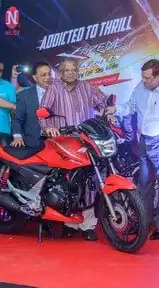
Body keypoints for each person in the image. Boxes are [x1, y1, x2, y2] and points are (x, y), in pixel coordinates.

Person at [105, 59, 159, 240]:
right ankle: (145, 221)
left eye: (147, 78)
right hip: (144, 141)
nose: (144, 81)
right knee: (144, 184)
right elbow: (130, 107)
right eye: (142, 77)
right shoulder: (140, 88)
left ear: (158, 77)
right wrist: (115, 109)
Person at [39, 57, 107, 241]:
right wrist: (47, 127)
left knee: (90, 181)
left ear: (78, 71)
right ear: (61, 72)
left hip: (87, 141)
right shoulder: (54, 88)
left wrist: (108, 111)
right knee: (68, 182)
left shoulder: (87, 87)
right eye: (67, 70)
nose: (70, 73)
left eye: (73, 70)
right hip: (64, 143)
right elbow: (42, 111)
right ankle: (69, 223)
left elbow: (103, 102)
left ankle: (88, 225)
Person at [11, 62, 53, 149]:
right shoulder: (24, 96)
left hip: (57, 141)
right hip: (33, 143)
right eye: (43, 75)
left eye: (49, 74)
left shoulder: (60, 94)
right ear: (35, 77)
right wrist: (17, 136)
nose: (48, 77)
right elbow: (17, 119)